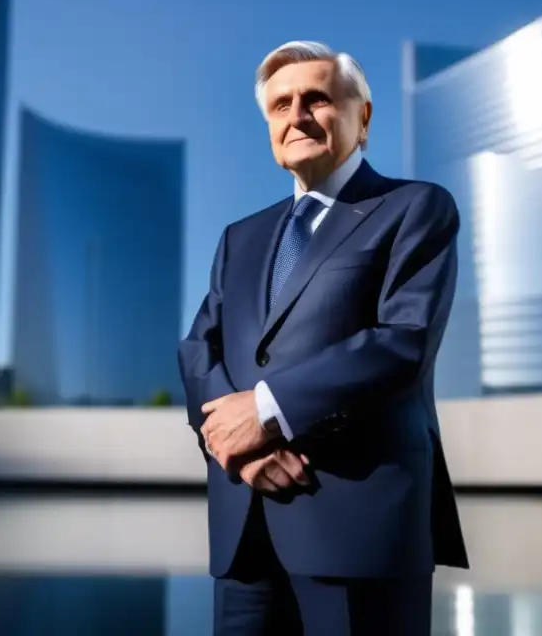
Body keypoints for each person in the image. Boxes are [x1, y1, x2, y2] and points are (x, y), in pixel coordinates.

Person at [178, 40, 469, 636]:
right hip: (244, 529)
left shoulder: (414, 208)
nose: (297, 116)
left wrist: (263, 413)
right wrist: (236, 447)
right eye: (281, 105)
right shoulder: (241, 236)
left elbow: (402, 341)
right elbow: (198, 349)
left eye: (316, 99)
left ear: (362, 118)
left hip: (361, 531)